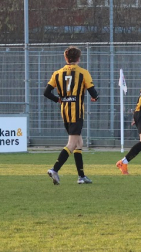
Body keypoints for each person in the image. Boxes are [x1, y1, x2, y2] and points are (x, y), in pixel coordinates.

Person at [43, 46, 98, 185]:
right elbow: (93, 93)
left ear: (65, 58)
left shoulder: (57, 73)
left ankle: (81, 176)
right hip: (77, 113)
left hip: (65, 113)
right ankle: (54, 169)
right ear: (78, 58)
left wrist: (58, 99)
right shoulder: (83, 73)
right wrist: (95, 97)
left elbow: (46, 92)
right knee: (72, 144)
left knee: (79, 143)